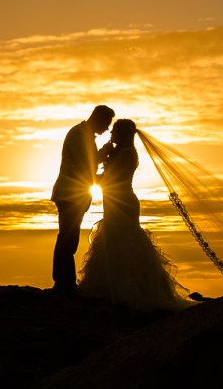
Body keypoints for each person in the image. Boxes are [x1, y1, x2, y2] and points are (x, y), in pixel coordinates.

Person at [78, 119, 193, 311]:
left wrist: (85, 176)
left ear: (122, 134)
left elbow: (110, 180)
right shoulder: (118, 152)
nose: (110, 134)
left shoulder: (127, 154)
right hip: (113, 202)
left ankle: (129, 292)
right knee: (111, 241)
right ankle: (109, 289)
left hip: (123, 202)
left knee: (125, 242)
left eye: (114, 131)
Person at [50, 105, 115, 295]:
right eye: (106, 123)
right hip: (69, 194)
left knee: (69, 238)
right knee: (67, 238)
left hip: (75, 195)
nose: (107, 129)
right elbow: (86, 162)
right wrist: (104, 152)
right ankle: (63, 282)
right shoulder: (79, 134)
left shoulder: (83, 134)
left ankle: (65, 281)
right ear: (98, 119)